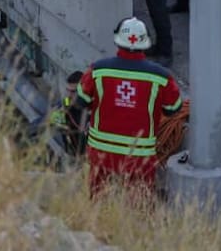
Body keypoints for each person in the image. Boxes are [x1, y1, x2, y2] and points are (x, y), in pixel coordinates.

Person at [75, 17, 183, 201]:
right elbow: (173, 109)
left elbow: (81, 102)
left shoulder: (97, 70)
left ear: (118, 40)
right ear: (144, 43)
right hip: (139, 153)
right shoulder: (162, 77)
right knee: (140, 203)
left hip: (101, 151)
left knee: (99, 201)